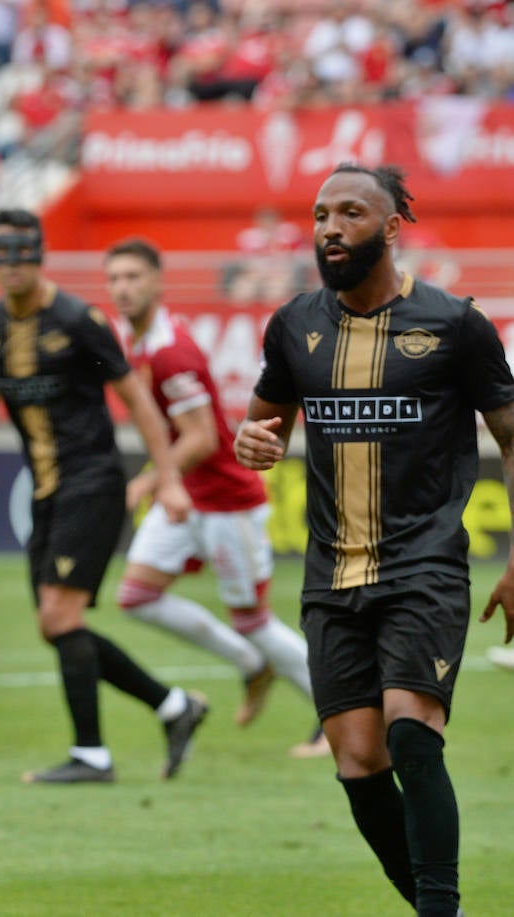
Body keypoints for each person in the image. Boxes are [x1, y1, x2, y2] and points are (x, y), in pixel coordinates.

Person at [235, 163, 514, 917]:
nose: (330, 227)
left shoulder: (455, 324)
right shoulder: (295, 324)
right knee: (359, 761)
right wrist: (251, 442)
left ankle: (438, 909)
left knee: (411, 734)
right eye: (322, 213)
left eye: (351, 213)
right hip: (331, 576)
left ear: (391, 228)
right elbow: (263, 421)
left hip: (423, 565)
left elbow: (513, 439)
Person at [0, 208, 207, 785]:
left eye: (23, 252)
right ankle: (172, 706)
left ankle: (93, 755)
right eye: (3, 253)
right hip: (45, 490)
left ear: (40, 256)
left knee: (60, 614)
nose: (13, 264)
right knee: (54, 623)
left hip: (93, 482)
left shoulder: (78, 319)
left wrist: (167, 478)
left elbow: (137, 400)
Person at [105, 236, 328, 759]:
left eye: (134, 277)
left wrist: (151, 480)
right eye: (115, 278)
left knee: (253, 619)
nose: (123, 288)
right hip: (189, 496)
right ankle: (252, 664)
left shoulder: (169, 351)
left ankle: (335, 715)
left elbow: (203, 437)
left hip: (228, 500)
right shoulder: (137, 341)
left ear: (158, 282)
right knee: (137, 596)